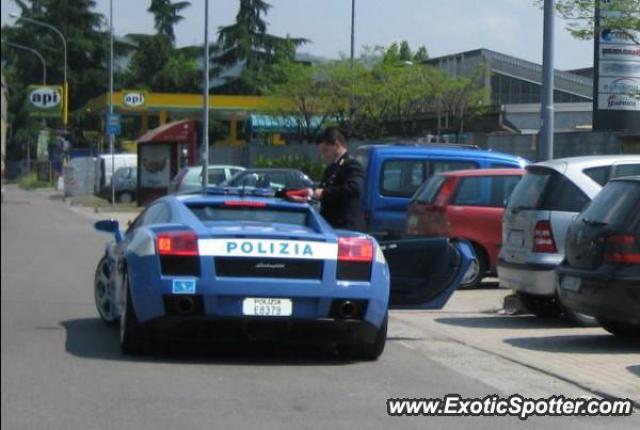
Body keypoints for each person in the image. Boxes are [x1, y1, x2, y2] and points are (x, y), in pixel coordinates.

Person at [313, 127, 365, 231]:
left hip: (346, 227)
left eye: (325, 150)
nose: (324, 155)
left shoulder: (351, 164)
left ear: (336, 145)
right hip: (332, 226)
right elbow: (321, 191)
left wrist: (324, 193)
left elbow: (354, 188)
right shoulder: (332, 167)